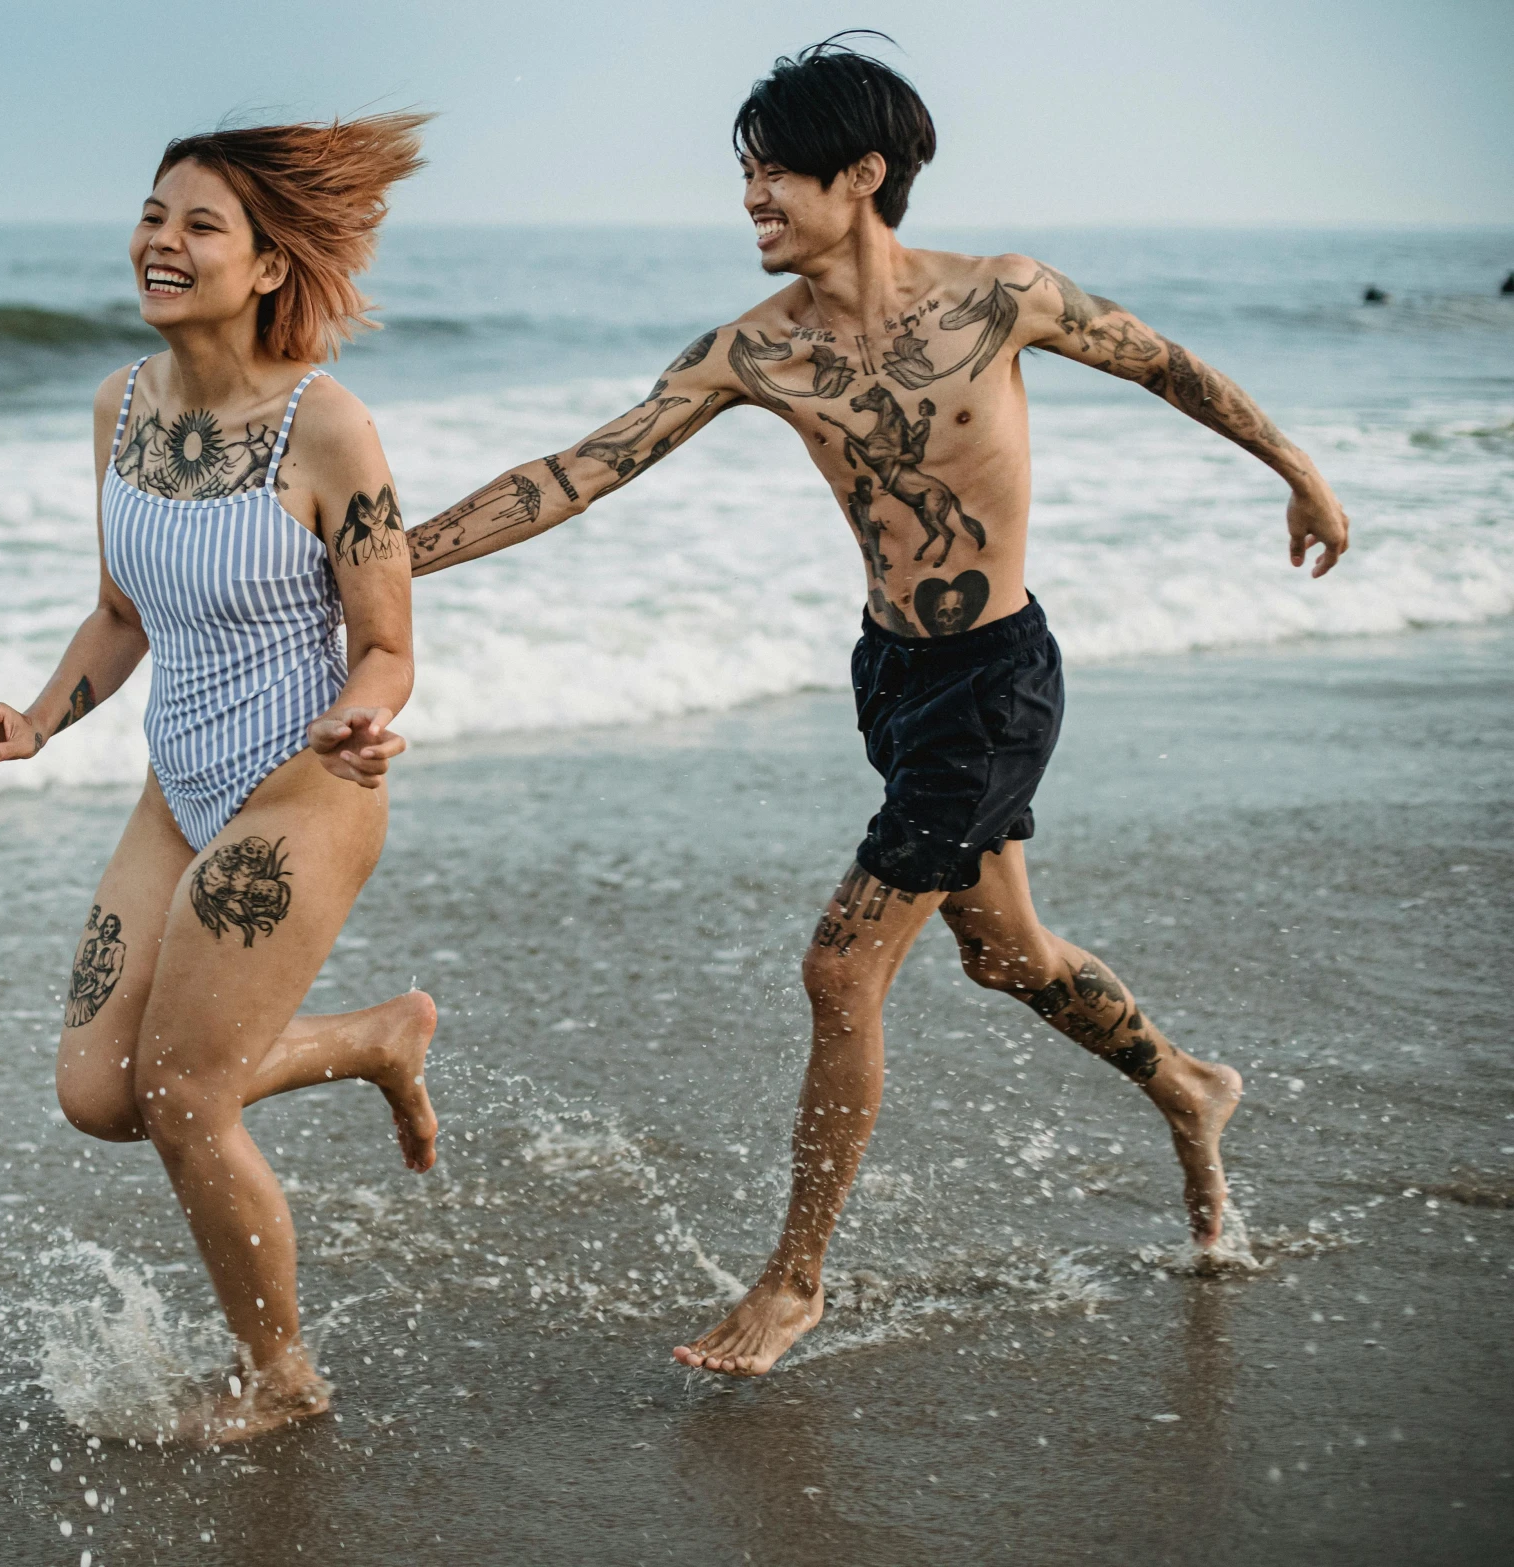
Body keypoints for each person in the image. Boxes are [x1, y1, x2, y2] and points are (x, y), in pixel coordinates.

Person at [403, 36, 1351, 1378]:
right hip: (891, 676)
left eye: (776, 173)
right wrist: (396, 556)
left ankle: (794, 1280)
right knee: (1008, 954)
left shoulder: (998, 295)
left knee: (839, 965)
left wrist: (1295, 467)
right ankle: (1189, 1086)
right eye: (745, 176)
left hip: (997, 679)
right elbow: (583, 467)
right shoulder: (757, 351)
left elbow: (1160, 363)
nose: (752, 199)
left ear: (861, 175)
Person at [0, 113, 440, 1441]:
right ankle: (374, 1036)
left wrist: (360, 718)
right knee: (99, 1091)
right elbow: (121, 610)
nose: (159, 242)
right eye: (153, 214)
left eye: (198, 223)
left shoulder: (324, 427)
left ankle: (281, 1378)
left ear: (269, 262)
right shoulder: (121, 408)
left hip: (302, 794)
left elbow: (386, 642)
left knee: (183, 1100)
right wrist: (36, 720)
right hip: (178, 782)